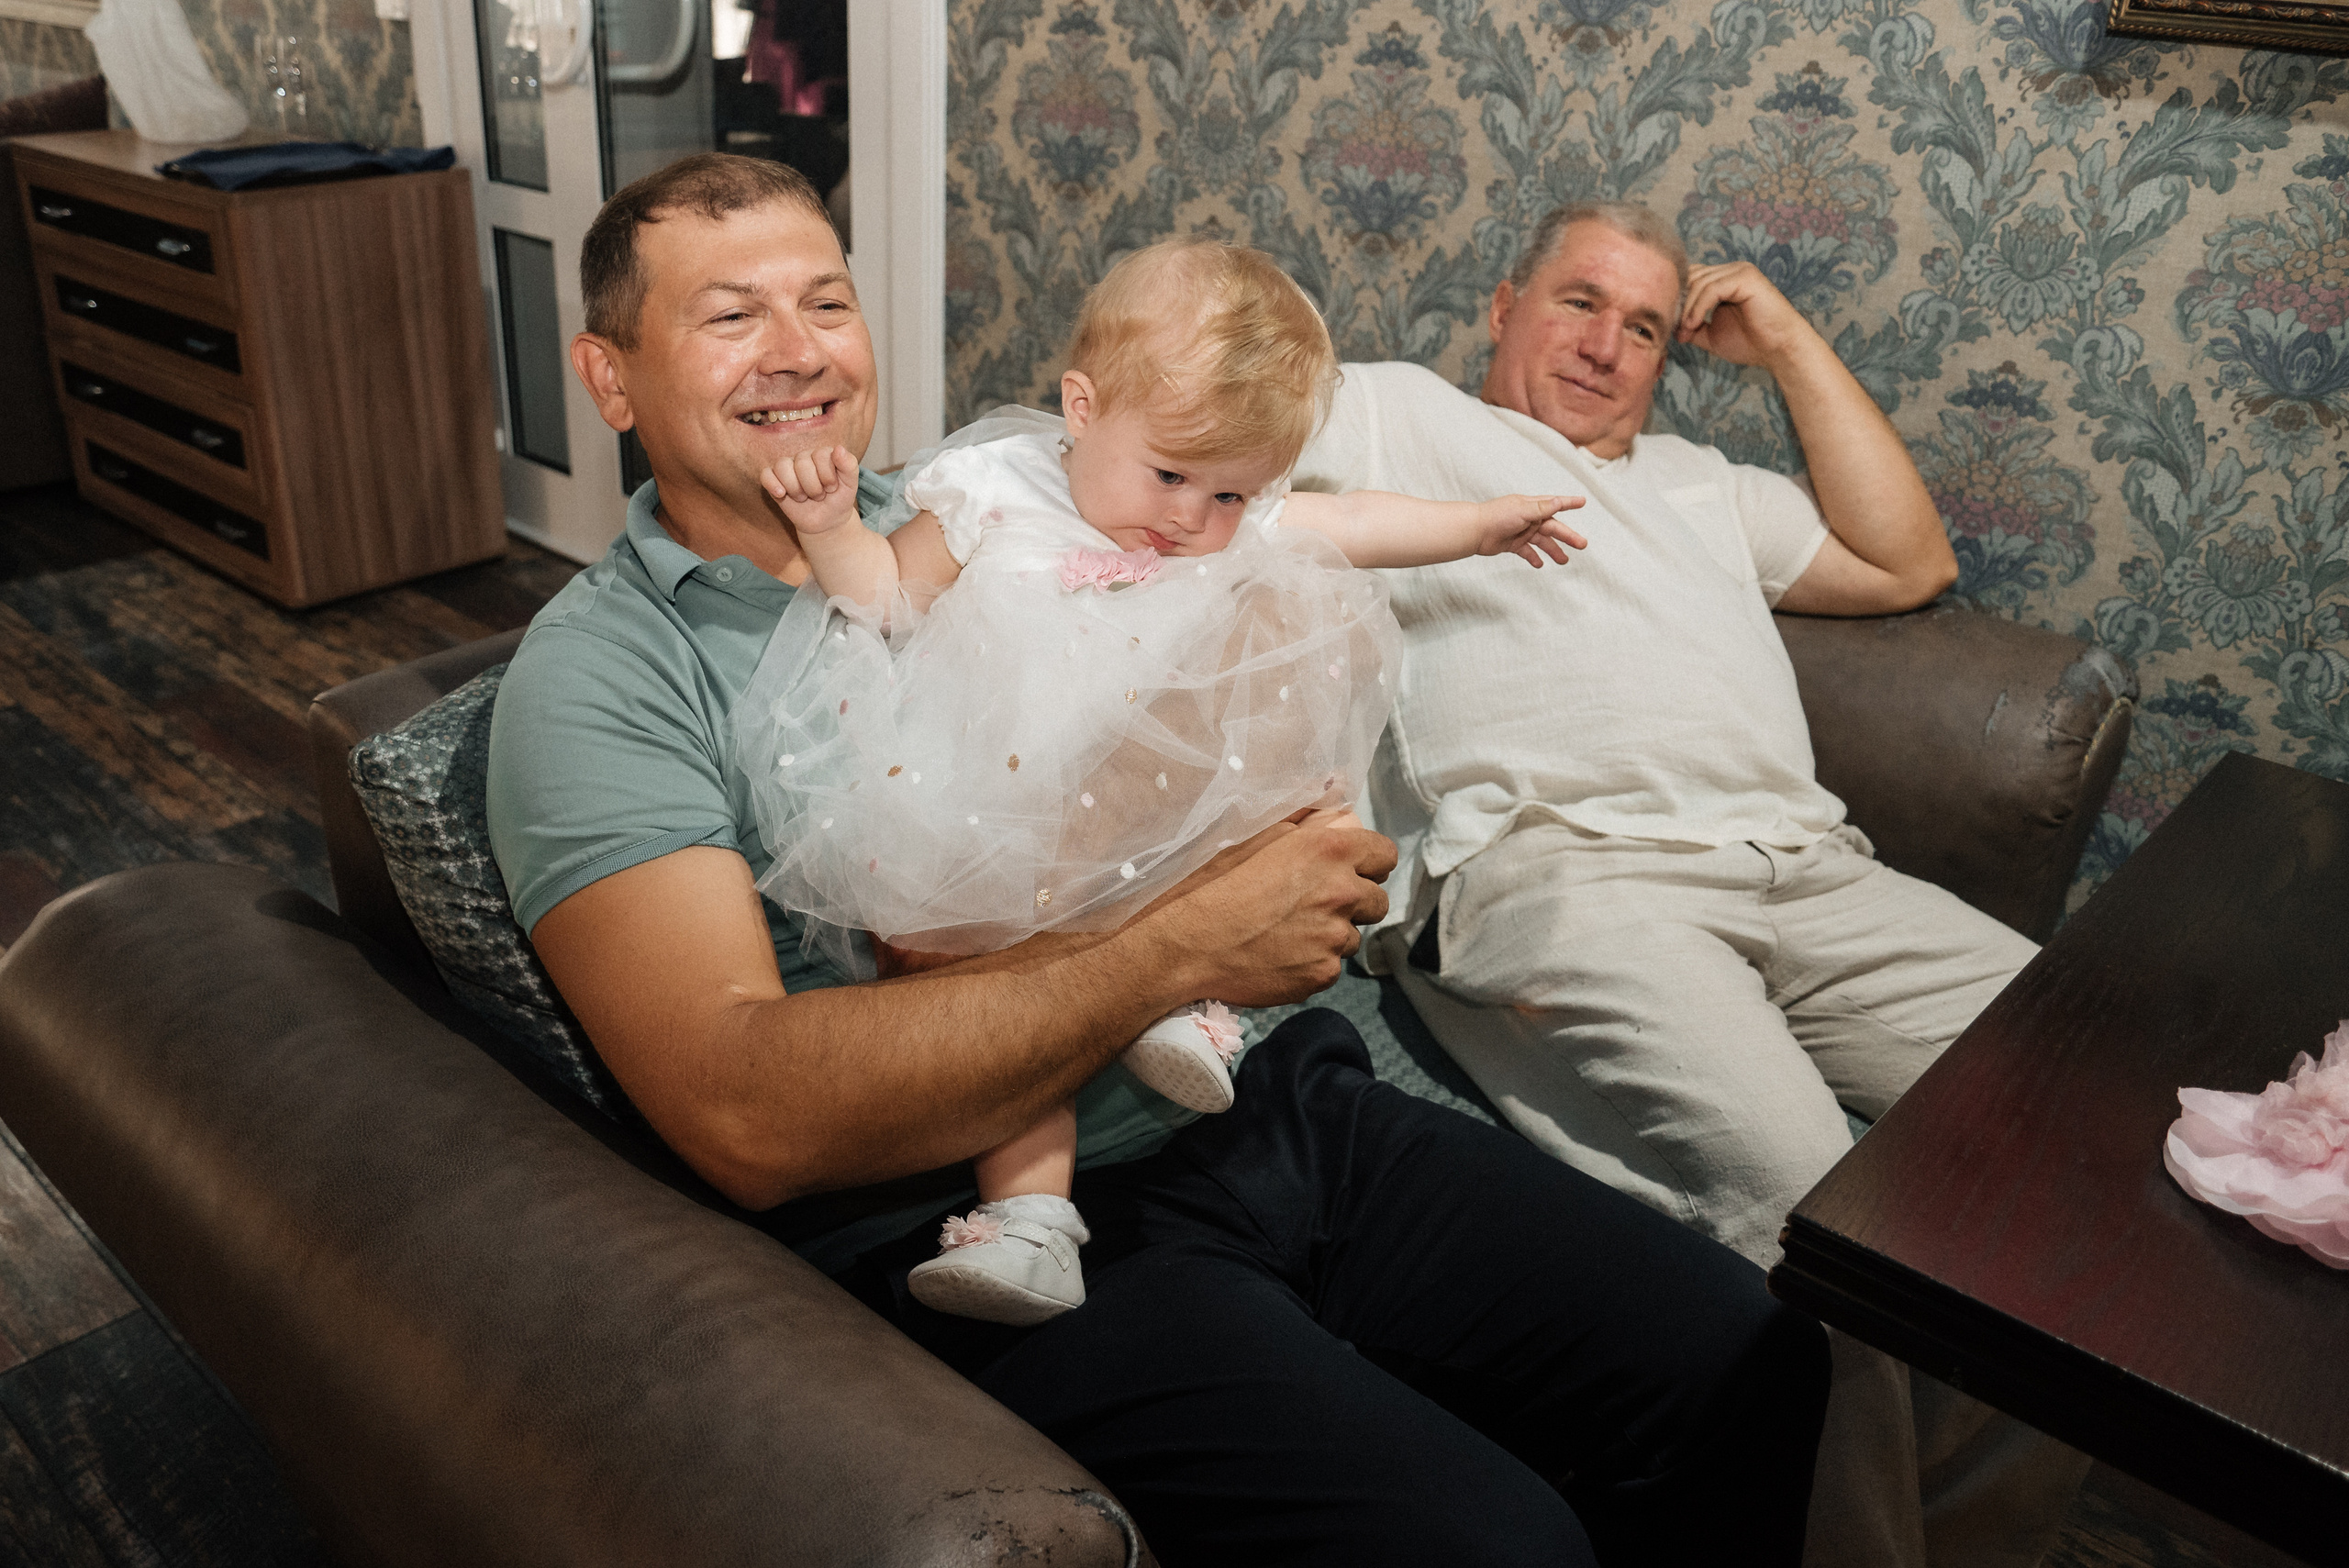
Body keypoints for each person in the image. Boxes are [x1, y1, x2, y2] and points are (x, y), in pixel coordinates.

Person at [485, 154, 1830, 1566]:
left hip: (1270, 1094)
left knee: (1743, 1349)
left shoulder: (1002, 500)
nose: (799, 350)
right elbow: (743, 1113)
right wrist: (1186, 944)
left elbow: (1247, 599)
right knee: (1498, 1545)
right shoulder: (603, 678)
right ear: (610, 376)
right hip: (987, 1206)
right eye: (730, 315)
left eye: (826, 301)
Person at [1290, 200, 2090, 1568]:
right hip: (1560, 872)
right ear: (1502, 305)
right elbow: (1172, 427)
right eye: (1578, 301)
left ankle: (1964, 1544)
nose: (1607, 346)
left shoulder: (1704, 484)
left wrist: (1785, 341)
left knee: (2085, 1114)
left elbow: (1909, 561)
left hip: (1810, 870)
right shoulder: (1388, 412)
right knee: (1821, 1215)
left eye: (1647, 327)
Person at [740, 238, 1582, 1326]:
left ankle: (1193, 1005)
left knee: (1268, 764)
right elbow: (888, 595)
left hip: (1151, 808)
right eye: (1172, 476)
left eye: (1231, 492)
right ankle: (1033, 1223)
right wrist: (831, 530)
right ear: (1082, 406)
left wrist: (1475, 527)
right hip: (1000, 807)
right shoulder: (992, 489)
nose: (1191, 519)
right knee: (998, 992)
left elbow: (1355, 523)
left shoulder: (1228, 518)